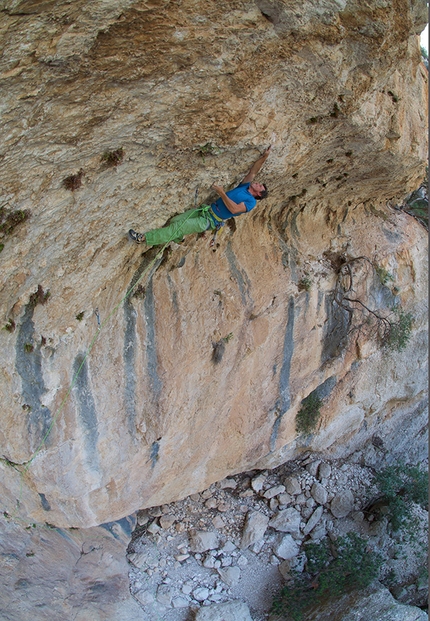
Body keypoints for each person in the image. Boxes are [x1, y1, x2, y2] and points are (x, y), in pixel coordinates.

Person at [128, 146, 271, 247]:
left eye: (260, 186)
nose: (257, 183)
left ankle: (144, 238)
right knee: (175, 220)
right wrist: (264, 156)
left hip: (209, 221)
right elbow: (253, 171)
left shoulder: (251, 201)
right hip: (205, 211)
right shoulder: (244, 187)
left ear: (259, 193)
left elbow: (234, 209)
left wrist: (221, 192)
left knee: (176, 227)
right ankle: (178, 239)